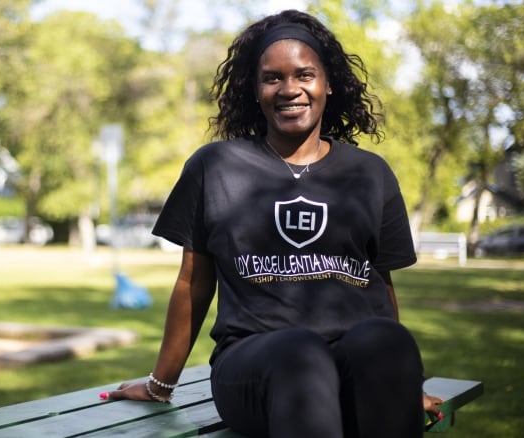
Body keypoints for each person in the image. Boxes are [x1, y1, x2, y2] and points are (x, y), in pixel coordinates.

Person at [104, 9, 443, 437]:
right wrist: (160, 384)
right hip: (257, 365)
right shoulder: (216, 166)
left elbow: (380, 286)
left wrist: (396, 382)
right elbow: (193, 283)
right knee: (298, 351)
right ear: (255, 89)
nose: (290, 90)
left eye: (305, 75)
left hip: (347, 365)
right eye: (272, 77)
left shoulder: (369, 173)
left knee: (386, 340)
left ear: (328, 82)